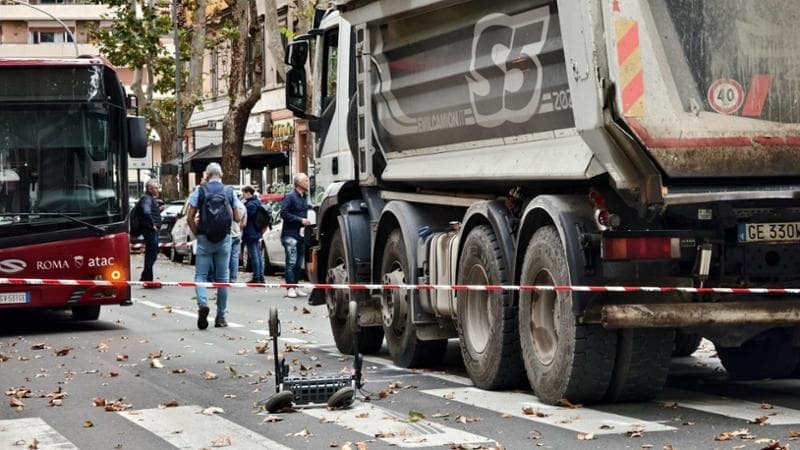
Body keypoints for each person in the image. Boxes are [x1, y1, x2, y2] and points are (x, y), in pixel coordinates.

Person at [187, 162, 243, 329]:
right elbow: (237, 217)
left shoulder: (200, 190)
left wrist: (198, 233)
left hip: (205, 238)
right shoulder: (229, 191)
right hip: (224, 239)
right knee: (223, 279)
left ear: (206, 175)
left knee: (200, 275)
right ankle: (220, 317)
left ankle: (203, 303)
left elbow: (190, 217)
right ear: (221, 174)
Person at [280, 173, 310, 298]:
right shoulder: (290, 197)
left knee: (298, 263)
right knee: (291, 261)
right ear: (299, 183)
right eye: (306, 180)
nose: (308, 182)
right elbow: (284, 213)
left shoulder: (305, 198)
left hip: (301, 234)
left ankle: (295, 285)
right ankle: (290, 287)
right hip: (290, 233)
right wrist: (300, 220)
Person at [138, 179, 162, 287]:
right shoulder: (147, 199)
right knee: (151, 255)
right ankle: (148, 281)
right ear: (150, 189)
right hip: (150, 231)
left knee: (152, 254)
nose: (158, 190)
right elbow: (146, 212)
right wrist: (152, 225)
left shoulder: (150, 199)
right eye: (156, 188)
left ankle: (145, 277)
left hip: (151, 230)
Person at [242, 185, 265, 283]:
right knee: (258, 254)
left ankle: (257, 276)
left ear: (248, 192)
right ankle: (260, 276)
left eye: (244, 193)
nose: (243, 195)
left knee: (254, 254)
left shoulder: (250, 205)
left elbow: (245, 217)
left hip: (251, 232)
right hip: (256, 231)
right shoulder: (257, 202)